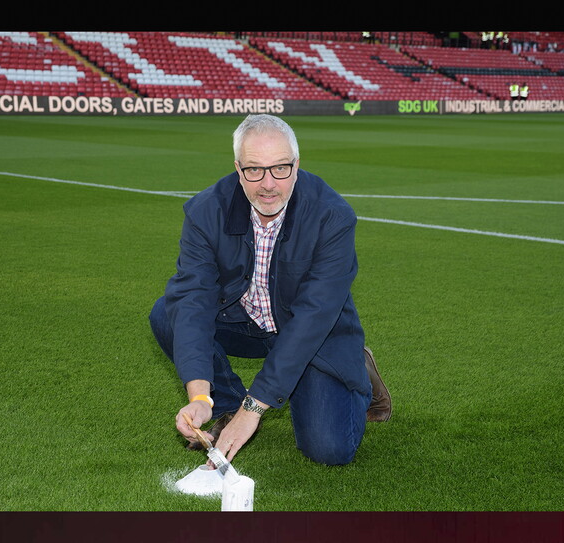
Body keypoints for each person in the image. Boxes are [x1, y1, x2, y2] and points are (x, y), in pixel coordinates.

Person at [149, 114, 391, 467]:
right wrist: (200, 395)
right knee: (168, 310)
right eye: (254, 170)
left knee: (329, 450)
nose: (267, 184)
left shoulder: (332, 217)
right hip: (241, 321)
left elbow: (313, 318)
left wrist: (256, 408)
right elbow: (193, 301)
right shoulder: (205, 211)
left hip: (309, 334)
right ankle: (227, 405)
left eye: (280, 168)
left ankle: (358, 365)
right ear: (237, 168)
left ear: (296, 165)